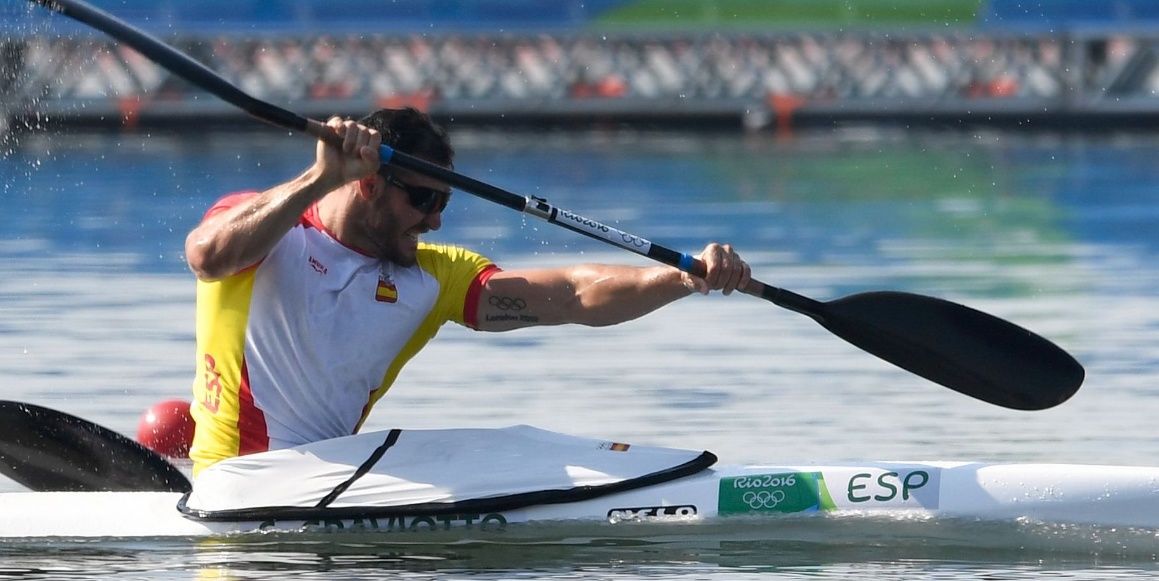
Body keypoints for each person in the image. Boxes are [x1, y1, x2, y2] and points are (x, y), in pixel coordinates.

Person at [184, 108, 751, 476]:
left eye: (445, 203)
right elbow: (208, 258)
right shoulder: (267, 228)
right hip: (237, 485)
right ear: (368, 183)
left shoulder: (434, 279)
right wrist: (320, 177)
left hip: (325, 483)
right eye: (425, 200)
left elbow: (573, 295)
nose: (435, 221)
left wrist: (683, 277)